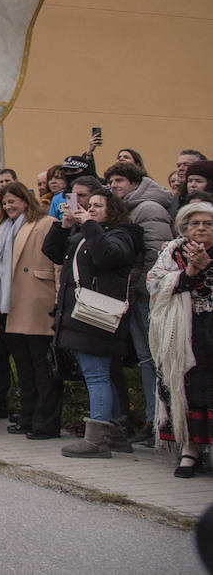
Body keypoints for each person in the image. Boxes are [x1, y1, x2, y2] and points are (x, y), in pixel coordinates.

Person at [42, 185, 141, 458]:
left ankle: (96, 441)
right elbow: (52, 251)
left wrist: (88, 224)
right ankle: (116, 434)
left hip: (96, 317)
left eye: (98, 206)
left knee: (96, 375)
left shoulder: (123, 235)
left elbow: (106, 256)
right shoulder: (84, 232)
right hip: (77, 315)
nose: (91, 209)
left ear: (113, 211)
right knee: (98, 375)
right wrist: (64, 224)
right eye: (90, 205)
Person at [0, 182, 62, 439]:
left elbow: (57, 263)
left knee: (42, 367)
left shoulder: (46, 223)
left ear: (26, 200)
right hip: (6, 304)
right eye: (5, 203)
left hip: (36, 301)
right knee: (23, 367)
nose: (9, 206)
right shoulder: (0, 227)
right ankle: (28, 416)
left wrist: (58, 300)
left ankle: (46, 422)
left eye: (13, 201)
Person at [105, 161, 175, 444]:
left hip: (148, 297)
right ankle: (151, 419)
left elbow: (155, 255)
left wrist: (138, 287)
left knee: (155, 361)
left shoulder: (149, 208)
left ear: (135, 182)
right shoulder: (124, 209)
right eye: (111, 181)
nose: (114, 186)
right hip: (132, 295)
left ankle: (159, 421)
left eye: (119, 180)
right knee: (146, 360)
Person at [147, 202, 213, 477]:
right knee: (186, 386)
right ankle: (190, 449)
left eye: (207, 224)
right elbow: (154, 282)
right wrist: (189, 274)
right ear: (185, 227)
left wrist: (207, 267)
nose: (200, 229)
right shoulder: (172, 251)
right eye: (195, 223)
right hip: (182, 331)